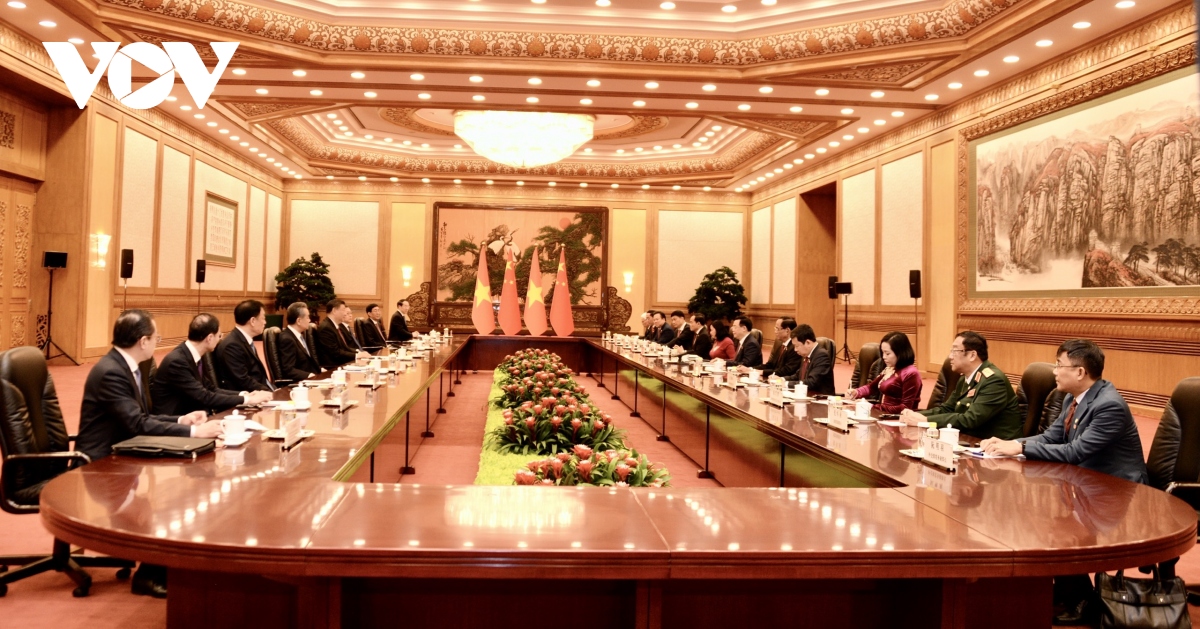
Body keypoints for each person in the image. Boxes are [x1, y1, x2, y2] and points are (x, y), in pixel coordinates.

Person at [981, 339, 1148, 625]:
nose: (1054, 371)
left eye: (1060, 365)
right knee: (1040, 518)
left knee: (1057, 528)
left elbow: (1075, 452)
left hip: (1117, 490)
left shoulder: (1109, 405)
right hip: (1085, 481)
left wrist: (1019, 448)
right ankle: (1066, 591)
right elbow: (1051, 437)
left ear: (1080, 372)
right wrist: (1008, 444)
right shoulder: (1074, 398)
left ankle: (1083, 600)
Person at [75, 310, 224, 599]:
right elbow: (137, 424)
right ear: (143, 341)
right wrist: (194, 432)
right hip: (100, 462)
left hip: (124, 449)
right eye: (156, 337)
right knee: (169, 503)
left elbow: (141, 417)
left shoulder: (127, 365)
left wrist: (181, 420)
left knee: (181, 487)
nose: (158, 342)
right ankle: (148, 575)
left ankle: (160, 566)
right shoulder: (111, 372)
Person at [901, 331, 1021, 439]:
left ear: (972, 355)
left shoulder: (994, 381)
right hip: (971, 441)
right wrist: (915, 415)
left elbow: (970, 419)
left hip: (997, 448)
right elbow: (947, 409)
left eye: (955, 351)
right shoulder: (965, 378)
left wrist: (926, 420)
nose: (950, 356)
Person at [151, 313, 273, 416]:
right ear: (209, 338)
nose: (220, 339)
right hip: (176, 421)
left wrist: (245, 394)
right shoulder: (177, 362)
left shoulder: (192, 355)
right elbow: (204, 396)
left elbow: (211, 388)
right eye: (219, 335)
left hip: (194, 415)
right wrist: (248, 400)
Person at [846, 331, 922, 412]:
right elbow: (871, 387)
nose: (884, 357)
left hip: (898, 417)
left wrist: (872, 407)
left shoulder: (911, 373)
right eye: (882, 353)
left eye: (887, 354)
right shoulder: (891, 368)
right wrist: (857, 392)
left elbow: (905, 408)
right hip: (884, 413)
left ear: (900, 353)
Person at [214, 299, 274, 392]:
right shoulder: (232, 345)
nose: (265, 322)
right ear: (253, 321)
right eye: (263, 318)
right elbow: (243, 380)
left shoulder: (244, 340)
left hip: (262, 389)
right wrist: (270, 393)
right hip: (249, 396)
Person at [785, 324, 834, 395]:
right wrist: (782, 380)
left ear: (808, 343)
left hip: (820, 398)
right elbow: (798, 376)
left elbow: (811, 382)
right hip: (806, 395)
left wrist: (786, 384)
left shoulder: (822, 356)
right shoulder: (806, 354)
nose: (795, 349)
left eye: (797, 346)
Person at [318, 299, 369, 368]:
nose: (345, 314)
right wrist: (357, 355)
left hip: (341, 363)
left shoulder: (334, 326)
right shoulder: (326, 328)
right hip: (333, 367)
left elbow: (345, 348)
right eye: (343, 310)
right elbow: (335, 352)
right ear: (334, 311)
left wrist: (359, 352)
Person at [278, 302, 322, 380]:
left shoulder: (299, 336)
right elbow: (288, 370)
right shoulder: (287, 339)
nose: (309, 320)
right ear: (299, 321)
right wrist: (309, 375)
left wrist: (320, 370)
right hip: (301, 383)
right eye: (307, 317)